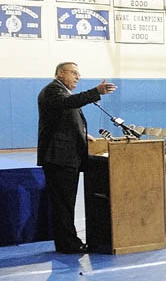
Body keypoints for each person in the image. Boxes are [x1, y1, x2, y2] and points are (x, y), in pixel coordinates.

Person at [37, 62, 116, 253]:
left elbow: (65, 119)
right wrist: (95, 92)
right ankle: (68, 244)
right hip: (59, 157)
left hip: (65, 156)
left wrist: (82, 135)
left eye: (79, 74)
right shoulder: (53, 91)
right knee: (64, 203)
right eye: (73, 73)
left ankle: (67, 241)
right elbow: (67, 104)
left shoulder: (62, 91)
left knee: (65, 202)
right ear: (60, 73)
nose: (77, 77)